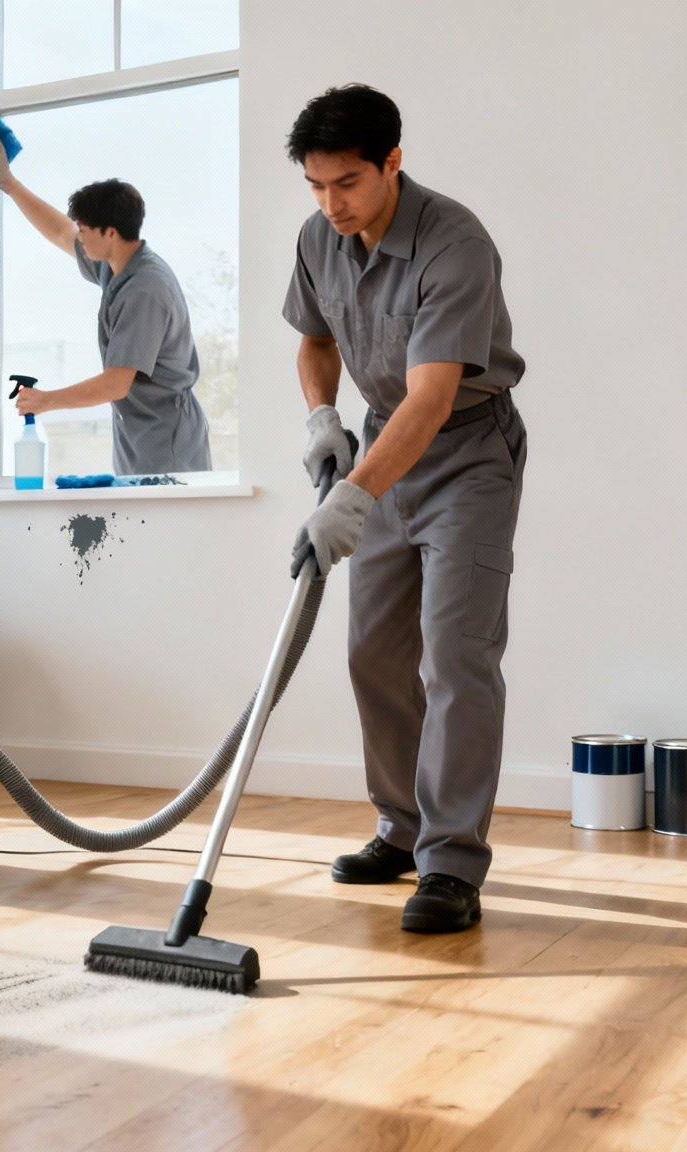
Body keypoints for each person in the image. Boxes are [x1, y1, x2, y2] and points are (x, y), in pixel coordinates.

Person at [282, 85, 528, 934]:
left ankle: (452, 862)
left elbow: (432, 397)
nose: (331, 204)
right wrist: (322, 417)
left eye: (347, 182)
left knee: (456, 656)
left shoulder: (454, 243)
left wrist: (354, 495)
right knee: (375, 654)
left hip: (465, 453)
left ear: (392, 161)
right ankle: (402, 827)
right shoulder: (319, 237)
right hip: (385, 445)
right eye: (316, 186)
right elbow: (315, 339)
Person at [0, 127, 212, 475]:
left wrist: (46, 400)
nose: (79, 237)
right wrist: (8, 183)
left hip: (167, 447)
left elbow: (116, 383)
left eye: (84, 230)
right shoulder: (116, 266)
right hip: (139, 439)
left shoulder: (145, 289)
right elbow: (60, 232)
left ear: (110, 232)